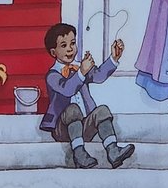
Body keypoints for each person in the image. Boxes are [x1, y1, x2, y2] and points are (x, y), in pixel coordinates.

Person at [40, 22, 134, 168]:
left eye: (72, 43)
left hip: (84, 126)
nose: (70, 49)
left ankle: (113, 150)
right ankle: (79, 154)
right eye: (64, 45)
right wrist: (81, 72)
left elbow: (99, 76)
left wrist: (114, 58)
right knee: (72, 109)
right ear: (54, 52)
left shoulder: (79, 66)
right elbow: (67, 89)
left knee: (102, 110)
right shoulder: (53, 75)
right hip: (63, 129)